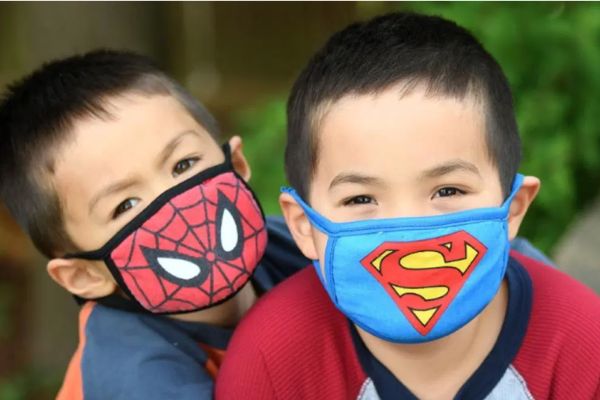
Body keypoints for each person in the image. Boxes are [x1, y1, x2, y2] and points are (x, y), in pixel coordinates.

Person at [215, 12, 600, 400]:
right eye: (360, 198)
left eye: (447, 191)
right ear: (303, 225)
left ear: (513, 208)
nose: (407, 230)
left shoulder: (586, 347)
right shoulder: (270, 360)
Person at [0, 50, 310, 399]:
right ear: (84, 275)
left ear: (236, 165)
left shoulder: (298, 246)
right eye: (126, 205)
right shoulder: (135, 376)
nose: (179, 205)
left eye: (183, 165)